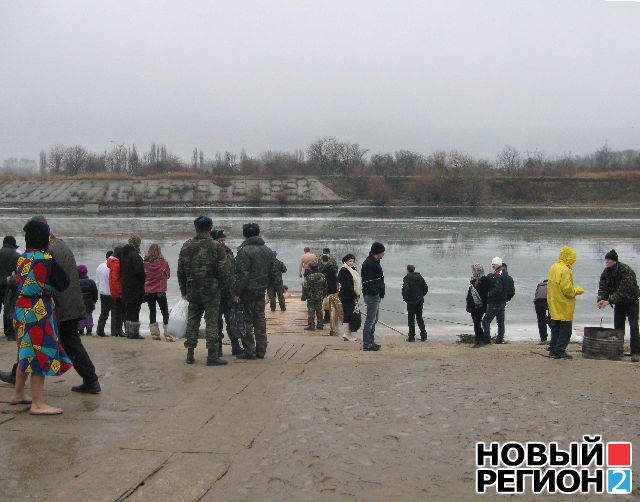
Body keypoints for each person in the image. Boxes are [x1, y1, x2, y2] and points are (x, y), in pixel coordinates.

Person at [11, 219, 71, 415]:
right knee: (39, 353)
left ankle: (18, 394)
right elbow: (63, 283)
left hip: (21, 309)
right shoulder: (46, 259)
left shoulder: (21, 259)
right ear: (45, 238)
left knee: (26, 352)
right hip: (39, 310)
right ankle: (37, 403)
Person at [37, 216, 101, 394]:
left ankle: (91, 380)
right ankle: (91, 380)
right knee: (69, 342)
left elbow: (42, 278)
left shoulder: (48, 250)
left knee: (36, 340)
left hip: (60, 305)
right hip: (71, 303)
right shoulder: (61, 245)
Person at [178, 216, 228, 366]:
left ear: (196, 228)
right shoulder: (216, 246)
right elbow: (224, 270)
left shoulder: (186, 246)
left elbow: (180, 271)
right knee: (212, 321)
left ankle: (190, 353)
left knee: (193, 321)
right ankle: (212, 355)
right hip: (211, 289)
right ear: (210, 228)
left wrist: (183, 289)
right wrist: (219, 285)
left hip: (192, 289)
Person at [233, 222, 276, 359]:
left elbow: (242, 274)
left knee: (246, 320)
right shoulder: (267, 250)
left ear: (245, 234)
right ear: (258, 233)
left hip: (247, 291)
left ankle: (250, 350)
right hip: (261, 290)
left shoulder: (244, 251)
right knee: (260, 319)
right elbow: (272, 272)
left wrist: (237, 292)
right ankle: (261, 350)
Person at [597, 249, 640, 362]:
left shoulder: (626, 271)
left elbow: (623, 290)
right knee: (618, 327)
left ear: (614, 261)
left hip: (631, 301)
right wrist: (601, 299)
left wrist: (609, 301)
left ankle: (636, 352)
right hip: (619, 303)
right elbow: (603, 287)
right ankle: (618, 351)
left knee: (634, 326)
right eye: (606, 259)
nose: (606, 261)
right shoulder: (606, 272)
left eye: (609, 259)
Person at [547, 246, 584, 359]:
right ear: (570, 258)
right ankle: (560, 350)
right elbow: (567, 290)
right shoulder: (565, 270)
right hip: (564, 306)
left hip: (554, 304)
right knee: (566, 331)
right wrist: (577, 290)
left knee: (555, 329)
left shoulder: (554, 267)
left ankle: (553, 349)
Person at [211, 229, 241, 356]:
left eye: (223, 240)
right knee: (216, 322)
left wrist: (235, 290)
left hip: (229, 292)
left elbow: (233, 270)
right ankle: (218, 348)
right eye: (220, 240)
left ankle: (235, 346)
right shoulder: (210, 252)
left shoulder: (228, 251)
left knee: (232, 321)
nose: (222, 243)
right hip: (215, 292)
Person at [144, 243, 173, 342]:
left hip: (148, 290)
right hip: (160, 290)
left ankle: (155, 334)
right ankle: (168, 333)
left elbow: (143, 276)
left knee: (152, 311)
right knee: (164, 312)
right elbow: (168, 275)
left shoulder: (145, 263)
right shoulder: (163, 263)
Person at [361, 242, 386, 351]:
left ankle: (371, 341)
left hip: (375, 295)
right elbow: (367, 281)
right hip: (371, 295)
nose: (384, 254)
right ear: (378, 252)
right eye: (383, 252)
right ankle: (367, 344)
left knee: (374, 319)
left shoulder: (375, 262)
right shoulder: (369, 263)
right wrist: (376, 292)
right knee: (370, 320)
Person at [120, 235, 146, 340]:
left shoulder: (123, 255)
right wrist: (143, 279)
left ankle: (129, 332)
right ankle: (134, 333)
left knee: (129, 309)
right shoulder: (135, 256)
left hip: (126, 286)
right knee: (135, 309)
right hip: (135, 287)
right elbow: (139, 272)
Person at [481, 257, 509, 346]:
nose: (492, 265)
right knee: (500, 322)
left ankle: (486, 340)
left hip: (495, 302)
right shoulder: (504, 274)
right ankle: (500, 339)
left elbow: (498, 289)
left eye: (494, 264)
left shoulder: (498, 275)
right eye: (492, 264)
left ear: (499, 264)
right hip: (502, 302)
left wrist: (488, 294)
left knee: (485, 321)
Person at [0, 235, 20, 340]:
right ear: (13, 245)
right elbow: (18, 273)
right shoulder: (16, 256)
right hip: (9, 286)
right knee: (9, 309)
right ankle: (9, 334)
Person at [402, 264, 429, 342]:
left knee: (411, 320)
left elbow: (405, 291)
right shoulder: (420, 277)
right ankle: (424, 336)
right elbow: (425, 289)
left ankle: (411, 337)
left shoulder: (407, 278)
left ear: (407, 270)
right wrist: (421, 296)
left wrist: (406, 299)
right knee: (419, 318)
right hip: (419, 301)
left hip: (411, 302)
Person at [338, 254, 360, 342]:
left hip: (351, 295)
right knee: (347, 314)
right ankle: (347, 334)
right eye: (350, 261)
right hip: (346, 296)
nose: (352, 263)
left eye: (353, 261)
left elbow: (355, 284)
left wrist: (357, 294)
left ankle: (348, 333)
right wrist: (354, 295)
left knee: (349, 313)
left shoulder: (352, 270)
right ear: (346, 261)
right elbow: (347, 285)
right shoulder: (344, 270)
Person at [467, 264, 489, 348]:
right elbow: (470, 294)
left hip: (479, 306)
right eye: (472, 270)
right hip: (473, 306)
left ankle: (479, 340)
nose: (472, 272)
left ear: (478, 271)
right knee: (475, 322)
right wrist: (468, 304)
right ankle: (478, 339)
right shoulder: (473, 280)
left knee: (477, 322)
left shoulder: (484, 281)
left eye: (474, 270)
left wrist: (480, 303)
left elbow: (484, 295)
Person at [303, 262, 327, 331]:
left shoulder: (309, 277)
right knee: (319, 310)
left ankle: (311, 325)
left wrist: (305, 296)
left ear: (310, 269)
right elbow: (325, 286)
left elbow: (305, 288)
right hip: (320, 296)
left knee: (311, 311)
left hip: (311, 296)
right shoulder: (322, 276)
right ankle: (320, 325)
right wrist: (323, 295)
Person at [95, 250, 113, 337]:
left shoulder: (100, 266)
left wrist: (99, 290)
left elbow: (97, 281)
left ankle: (100, 330)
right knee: (115, 313)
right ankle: (114, 331)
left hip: (102, 292)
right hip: (111, 292)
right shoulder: (111, 267)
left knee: (103, 313)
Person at [77, 265, 98, 336]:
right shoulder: (91, 282)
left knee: (80, 317)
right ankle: (89, 331)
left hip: (79, 303)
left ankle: (81, 331)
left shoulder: (76, 282)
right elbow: (95, 293)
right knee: (89, 315)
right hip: (89, 302)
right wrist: (95, 301)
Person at [107, 247, 124, 337]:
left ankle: (115, 331)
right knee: (119, 312)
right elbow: (115, 280)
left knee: (115, 312)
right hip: (117, 293)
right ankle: (118, 330)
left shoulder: (112, 263)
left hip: (113, 291)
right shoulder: (117, 265)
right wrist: (121, 292)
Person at [320, 254, 338, 324]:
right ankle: (329, 317)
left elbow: (325, 279)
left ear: (322, 260)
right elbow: (336, 278)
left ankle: (327, 318)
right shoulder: (331, 267)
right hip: (332, 287)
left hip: (328, 288)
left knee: (326, 304)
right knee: (329, 303)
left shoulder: (326, 269)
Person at [533, 279, 549, 344]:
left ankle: (543, 339)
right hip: (547, 301)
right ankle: (555, 337)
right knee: (552, 320)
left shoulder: (539, 285)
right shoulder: (552, 285)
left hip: (538, 302)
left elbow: (536, 295)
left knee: (541, 321)